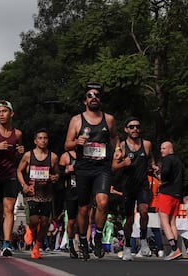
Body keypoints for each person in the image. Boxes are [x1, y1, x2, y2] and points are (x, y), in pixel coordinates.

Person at [64, 83, 121, 260]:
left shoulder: (109, 119)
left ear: (100, 100)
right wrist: (76, 143)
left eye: (96, 95)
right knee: (83, 209)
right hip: (83, 167)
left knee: (103, 202)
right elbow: (67, 144)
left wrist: (118, 149)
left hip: (102, 167)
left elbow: (114, 137)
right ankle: (83, 240)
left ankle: (97, 237)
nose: (93, 97)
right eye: (90, 95)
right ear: (85, 101)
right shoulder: (76, 120)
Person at [111, 117, 159, 261]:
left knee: (144, 212)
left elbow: (151, 161)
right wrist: (123, 164)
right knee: (130, 220)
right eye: (131, 127)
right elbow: (113, 167)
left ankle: (143, 240)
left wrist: (154, 167)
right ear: (126, 129)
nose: (135, 129)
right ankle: (127, 247)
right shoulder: (123, 146)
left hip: (143, 185)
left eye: (137, 126)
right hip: (128, 186)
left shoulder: (147, 144)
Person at [0, 100, 24, 257]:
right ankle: (2, 230)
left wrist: (20, 152)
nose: (1, 114)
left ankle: (6, 244)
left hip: (11, 175)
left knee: (9, 209)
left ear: (11, 113)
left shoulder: (18, 134)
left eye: (4, 111)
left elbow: (16, 155)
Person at [17, 128, 59, 259]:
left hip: (46, 193)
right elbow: (19, 171)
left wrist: (55, 177)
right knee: (35, 220)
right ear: (35, 141)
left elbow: (57, 173)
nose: (43, 140)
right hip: (32, 192)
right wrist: (24, 185)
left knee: (45, 222)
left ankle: (37, 247)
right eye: (40, 138)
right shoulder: (28, 156)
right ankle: (30, 228)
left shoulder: (53, 157)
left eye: (45, 138)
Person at [157, 141, 184, 260]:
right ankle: (176, 249)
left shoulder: (168, 160)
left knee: (164, 220)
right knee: (172, 221)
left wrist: (160, 176)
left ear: (170, 149)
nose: (161, 150)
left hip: (167, 193)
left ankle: (174, 249)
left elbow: (166, 173)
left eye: (163, 148)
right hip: (177, 194)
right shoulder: (179, 161)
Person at [59, 150, 79, 258]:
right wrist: (67, 170)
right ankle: (70, 244)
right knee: (71, 222)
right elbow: (59, 174)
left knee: (85, 219)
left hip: (84, 192)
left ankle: (83, 244)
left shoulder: (88, 154)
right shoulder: (66, 156)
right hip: (71, 193)